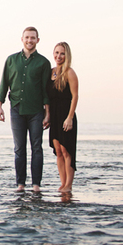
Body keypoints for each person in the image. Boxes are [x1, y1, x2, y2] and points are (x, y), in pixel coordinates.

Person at [0, 27, 51, 192]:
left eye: (33, 38)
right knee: (19, 148)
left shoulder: (43, 62)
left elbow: (46, 91)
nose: (29, 40)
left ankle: (36, 185)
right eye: (27, 37)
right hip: (16, 109)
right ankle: (20, 184)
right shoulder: (11, 60)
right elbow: (4, 83)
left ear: (37, 40)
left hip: (36, 111)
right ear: (22, 39)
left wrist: (48, 113)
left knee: (37, 147)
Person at [48, 42, 79, 193]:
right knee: (58, 151)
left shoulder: (69, 72)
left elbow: (75, 96)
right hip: (54, 116)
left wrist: (70, 118)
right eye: (56, 52)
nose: (58, 56)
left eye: (62, 53)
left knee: (67, 151)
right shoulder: (50, 72)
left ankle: (69, 184)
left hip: (66, 115)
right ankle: (62, 183)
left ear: (67, 55)